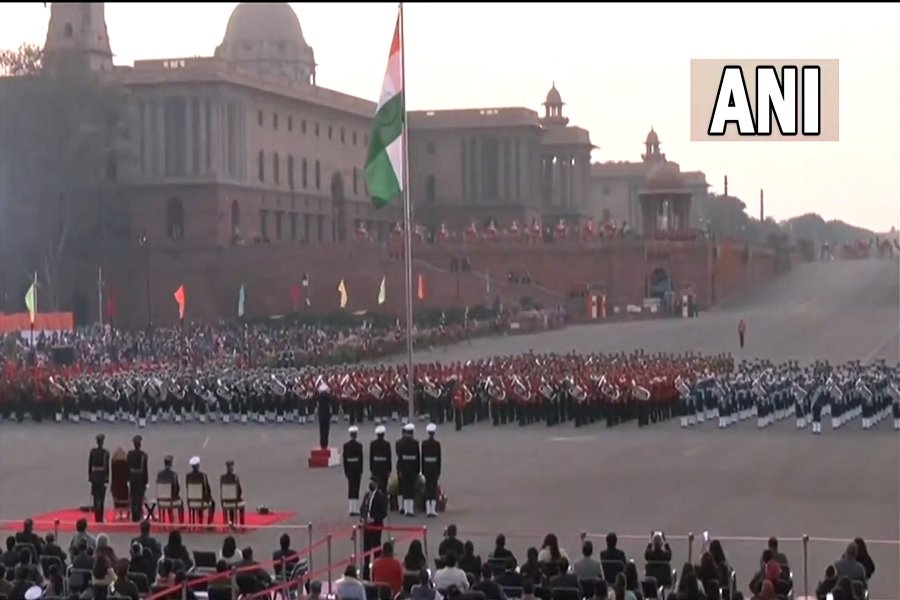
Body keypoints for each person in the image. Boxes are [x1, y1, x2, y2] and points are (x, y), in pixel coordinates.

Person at [360, 476, 388, 581]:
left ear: (376, 484)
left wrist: (374, 519)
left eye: (372, 481)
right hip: (366, 527)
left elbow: (383, 512)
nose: (370, 483)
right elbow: (362, 508)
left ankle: (377, 574)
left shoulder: (381, 496)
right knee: (366, 551)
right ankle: (365, 576)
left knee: (376, 550)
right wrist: (362, 518)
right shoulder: (367, 495)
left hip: (376, 527)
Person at [396, 423, 421, 516]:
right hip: (413, 468)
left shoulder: (399, 443)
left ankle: (405, 508)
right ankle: (410, 509)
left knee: (404, 488)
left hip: (403, 467)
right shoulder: (416, 443)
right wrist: (418, 469)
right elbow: (418, 457)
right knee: (411, 488)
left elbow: (399, 456)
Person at [185, 456, 216, 524]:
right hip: (201, 500)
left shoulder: (188, 476)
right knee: (212, 502)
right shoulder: (203, 475)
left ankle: (195, 519)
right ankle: (209, 521)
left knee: (198, 496)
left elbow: (187, 487)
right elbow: (207, 488)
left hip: (191, 501)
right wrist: (209, 498)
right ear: (198, 465)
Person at [421, 423, 442, 517]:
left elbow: (422, 457)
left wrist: (422, 469)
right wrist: (438, 471)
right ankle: (432, 509)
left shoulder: (424, 443)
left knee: (427, 488)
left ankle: (428, 509)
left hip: (426, 467)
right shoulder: (437, 444)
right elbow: (439, 458)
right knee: (433, 488)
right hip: (434, 468)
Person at [126, 435, 149, 522]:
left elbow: (127, 467)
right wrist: (146, 481)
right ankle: (138, 515)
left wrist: (128, 478)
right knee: (139, 498)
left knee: (133, 497)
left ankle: (133, 515)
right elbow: (145, 470)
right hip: (140, 479)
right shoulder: (143, 455)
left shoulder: (129, 454)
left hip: (132, 478)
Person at [88, 434, 110, 523]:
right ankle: (100, 517)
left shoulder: (92, 452)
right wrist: (107, 478)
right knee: (101, 498)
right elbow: (107, 467)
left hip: (94, 476)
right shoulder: (105, 453)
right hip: (101, 477)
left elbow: (90, 465)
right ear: (102, 442)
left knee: (95, 497)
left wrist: (90, 476)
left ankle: (97, 516)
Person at [343, 426, 364, 516]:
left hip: (349, 468)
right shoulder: (359, 446)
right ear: (356, 435)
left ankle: (351, 508)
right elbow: (361, 459)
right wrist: (361, 470)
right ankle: (355, 508)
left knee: (350, 487)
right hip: (356, 469)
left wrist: (346, 471)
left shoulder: (346, 446)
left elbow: (345, 459)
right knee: (356, 488)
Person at [156, 455, 182, 522]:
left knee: (167, 496)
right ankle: (181, 521)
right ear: (171, 464)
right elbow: (177, 488)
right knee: (180, 502)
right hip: (171, 499)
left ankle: (164, 519)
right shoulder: (174, 475)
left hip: (161, 499)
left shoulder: (159, 474)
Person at [220, 460, 246, 526]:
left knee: (230, 501)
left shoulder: (222, 478)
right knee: (240, 504)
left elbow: (222, 490)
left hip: (226, 501)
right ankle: (242, 524)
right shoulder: (235, 477)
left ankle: (230, 522)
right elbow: (239, 490)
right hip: (234, 500)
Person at [369, 425, 392, 493]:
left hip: (375, 467)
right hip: (384, 467)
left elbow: (371, 457)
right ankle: (383, 501)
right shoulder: (387, 444)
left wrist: (371, 468)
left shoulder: (373, 444)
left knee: (376, 486)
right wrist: (389, 469)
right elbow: (388, 457)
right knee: (384, 486)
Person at [316, 379, 334, 449]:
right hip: (327, 415)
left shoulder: (319, 397)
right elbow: (331, 398)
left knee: (321, 430)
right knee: (326, 431)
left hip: (321, 415)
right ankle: (325, 444)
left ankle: (322, 444)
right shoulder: (328, 397)